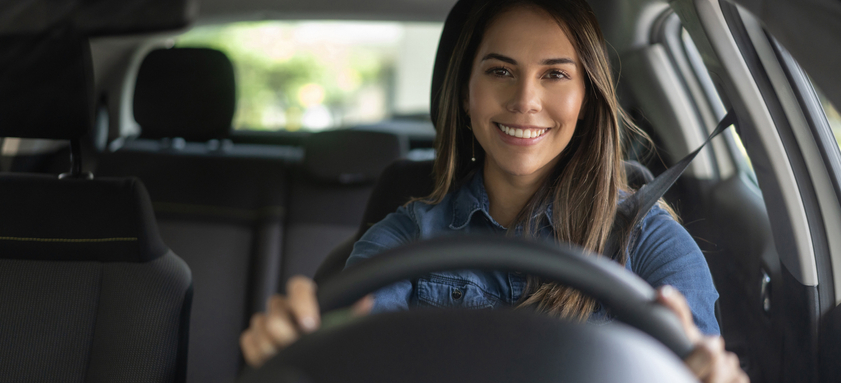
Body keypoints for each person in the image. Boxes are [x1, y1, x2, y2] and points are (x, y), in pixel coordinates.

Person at [240, 0, 749, 381]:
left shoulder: (651, 242)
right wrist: (301, 354)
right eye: (500, 71)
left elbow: (694, 363)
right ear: (466, 95)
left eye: (554, 74)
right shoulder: (404, 238)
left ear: (587, 100)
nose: (525, 99)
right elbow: (348, 355)